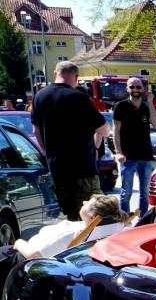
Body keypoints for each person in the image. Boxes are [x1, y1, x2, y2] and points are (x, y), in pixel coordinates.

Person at [30, 61, 110, 219]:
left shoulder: (39, 96)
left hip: (58, 168)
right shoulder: (78, 97)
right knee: (93, 216)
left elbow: (36, 131)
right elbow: (103, 130)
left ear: (56, 73)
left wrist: (49, 153)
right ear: (76, 77)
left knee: (70, 216)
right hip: (82, 168)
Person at [13, 194, 129, 260]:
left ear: (92, 217)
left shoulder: (77, 234)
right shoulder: (112, 227)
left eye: (87, 203)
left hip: (24, 257)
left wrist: (19, 243)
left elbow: (35, 256)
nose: (84, 202)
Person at [113, 77, 156, 213]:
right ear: (127, 89)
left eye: (138, 87)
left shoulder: (146, 107)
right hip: (128, 157)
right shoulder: (121, 106)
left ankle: (143, 219)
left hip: (145, 156)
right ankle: (126, 219)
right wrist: (118, 152)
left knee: (144, 192)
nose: (135, 89)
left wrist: (150, 102)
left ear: (143, 89)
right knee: (126, 192)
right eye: (132, 87)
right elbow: (116, 130)